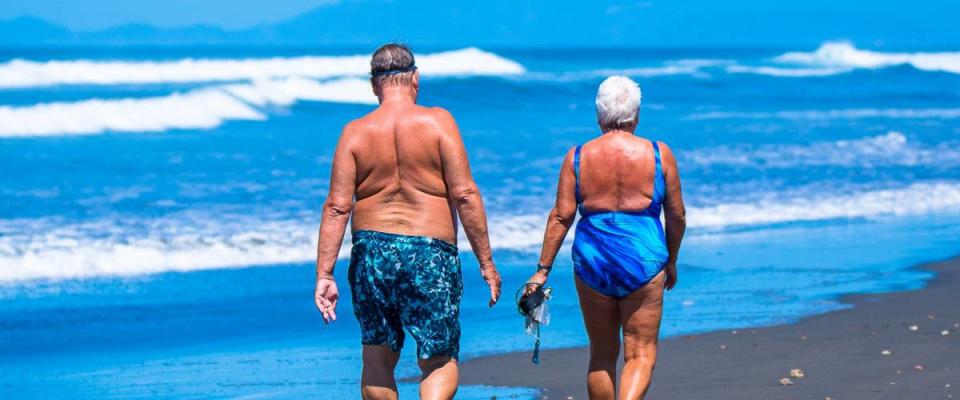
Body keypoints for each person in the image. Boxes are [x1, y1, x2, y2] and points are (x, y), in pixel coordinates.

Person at [313, 43, 502, 400]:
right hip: (429, 252)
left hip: (373, 254)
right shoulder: (438, 123)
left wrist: (324, 274)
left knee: (377, 358)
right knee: (438, 359)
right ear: (415, 79)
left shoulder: (354, 132)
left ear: (373, 85)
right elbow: (465, 195)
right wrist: (486, 263)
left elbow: (337, 207)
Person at [525, 76, 686, 399]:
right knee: (639, 353)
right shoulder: (658, 154)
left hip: (593, 260)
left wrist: (542, 271)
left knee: (600, 356)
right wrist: (671, 260)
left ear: (599, 116)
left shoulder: (577, 157)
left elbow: (561, 215)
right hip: (643, 258)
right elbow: (677, 215)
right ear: (636, 115)